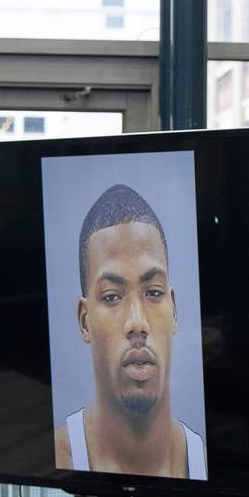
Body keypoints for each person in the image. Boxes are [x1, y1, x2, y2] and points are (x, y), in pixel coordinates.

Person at [54, 183, 206, 480]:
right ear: (84, 321)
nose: (137, 323)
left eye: (153, 292)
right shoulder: (60, 456)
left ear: (173, 310)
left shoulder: (206, 463)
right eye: (112, 296)